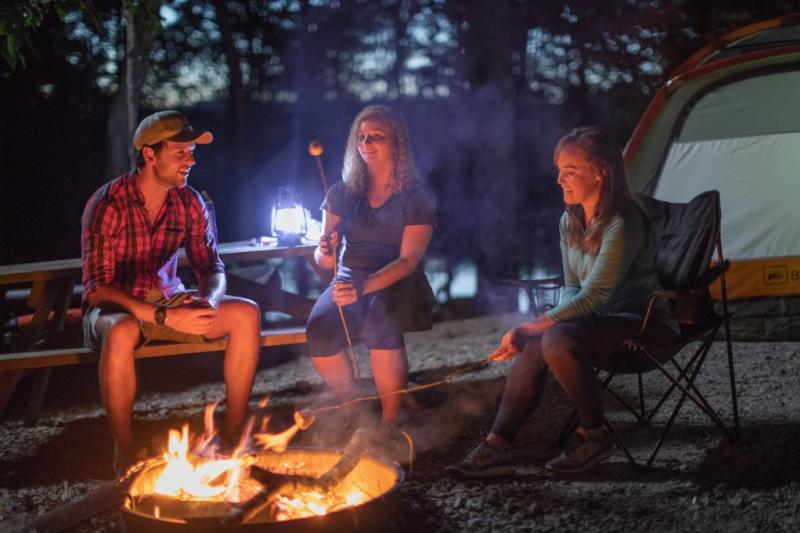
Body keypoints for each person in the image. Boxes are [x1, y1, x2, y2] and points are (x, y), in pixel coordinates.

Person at [446, 127, 680, 477]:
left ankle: (595, 437)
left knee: (552, 336)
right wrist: (544, 325)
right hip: (597, 324)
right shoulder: (570, 220)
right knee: (541, 339)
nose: (559, 180)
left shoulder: (623, 221)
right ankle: (497, 445)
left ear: (600, 171)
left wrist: (537, 323)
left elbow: (596, 294)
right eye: (559, 170)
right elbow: (573, 287)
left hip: (644, 323)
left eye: (569, 171)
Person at [81, 110, 261, 476]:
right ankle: (125, 450)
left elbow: (211, 267)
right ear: (149, 155)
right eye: (181, 152)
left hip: (169, 299)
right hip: (117, 308)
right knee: (121, 332)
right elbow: (99, 289)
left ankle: (235, 433)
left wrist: (208, 301)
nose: (191, 160)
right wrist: (164, 316)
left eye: (193, 151)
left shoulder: (189, 201)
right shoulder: (107, 203)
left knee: (246, 313)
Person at [306, 105, 436, 424]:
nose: (366, 142)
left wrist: (362, 287)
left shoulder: (417, 196)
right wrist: (325, 248)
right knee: (319, 328)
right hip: (350, 277)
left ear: (397, 143)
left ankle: (392, 419)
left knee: (381, 318)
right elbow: (324, 261)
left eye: (376, 136)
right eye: (362, 136)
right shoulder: (341, 192)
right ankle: (353, 408)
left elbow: (409, 260)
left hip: (399, 280)